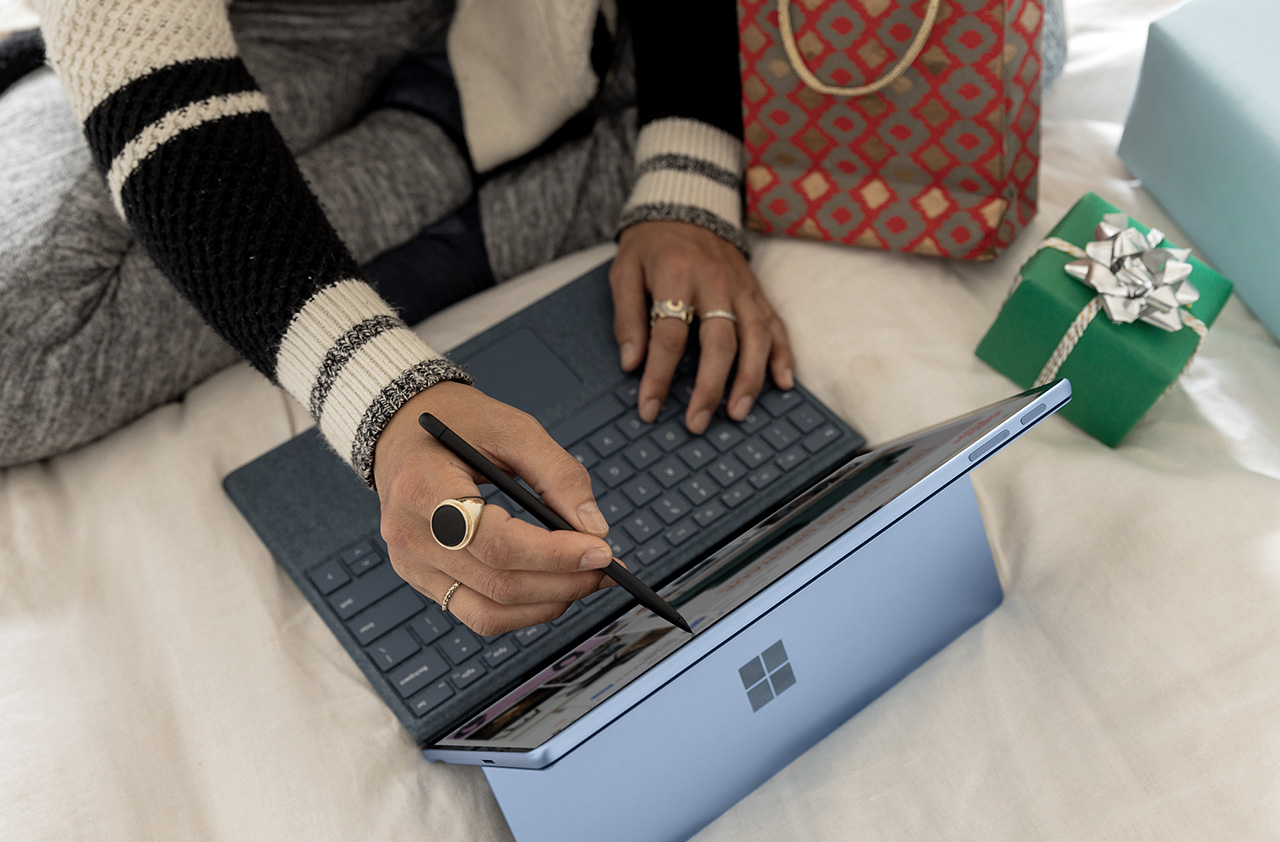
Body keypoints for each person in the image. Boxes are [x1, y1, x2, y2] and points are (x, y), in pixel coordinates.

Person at [0, 0, 791, 636]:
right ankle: (451, 133)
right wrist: (387, 403)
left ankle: (464, 130)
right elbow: (145, 69)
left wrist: (688, 181)